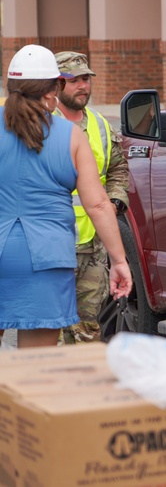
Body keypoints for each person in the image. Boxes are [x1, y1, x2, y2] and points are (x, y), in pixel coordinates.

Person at [0, 45, 132, 348]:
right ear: (52, 92)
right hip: (47, 259)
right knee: (37, 364)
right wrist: (119, 260)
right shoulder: (69, 135)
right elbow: (98, 204)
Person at [53, 51, 130, 344]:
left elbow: (118, 168)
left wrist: (114, 202)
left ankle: (83, 385)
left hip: (93, 245)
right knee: (54, 329)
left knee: (87, 328)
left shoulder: (99, 124)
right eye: (74, 80)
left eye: (86, 79)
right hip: (54, 243)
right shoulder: (43, 124)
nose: (83, 86)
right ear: (57, 84)